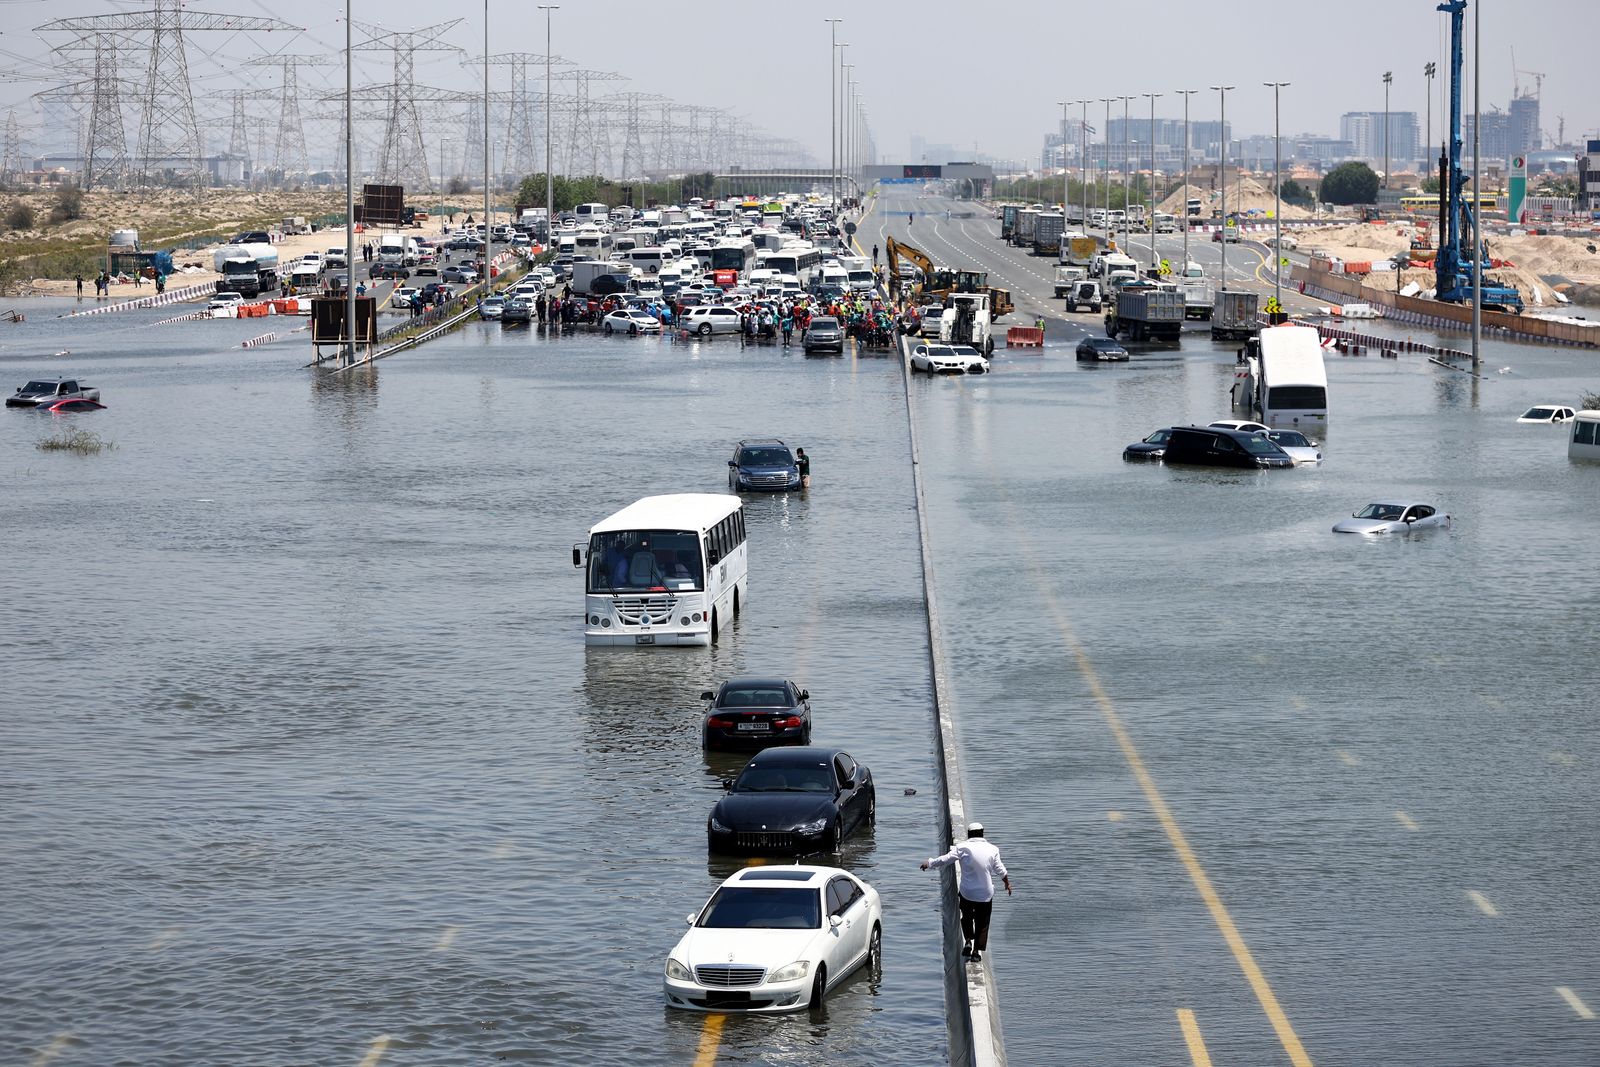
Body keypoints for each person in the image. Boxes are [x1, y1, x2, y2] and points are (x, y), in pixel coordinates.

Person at [921, 822, 1012, 963]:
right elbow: (1000, 869)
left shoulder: (962, 847)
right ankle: (976, 952)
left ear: (969, 834)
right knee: (983, 922)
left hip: (967, 893)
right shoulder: (993, 849)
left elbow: (946, 859)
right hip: (985, 894)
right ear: (982, 833)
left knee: (967, 917)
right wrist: (1007, 883)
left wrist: (930, 863)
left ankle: (968, 940)